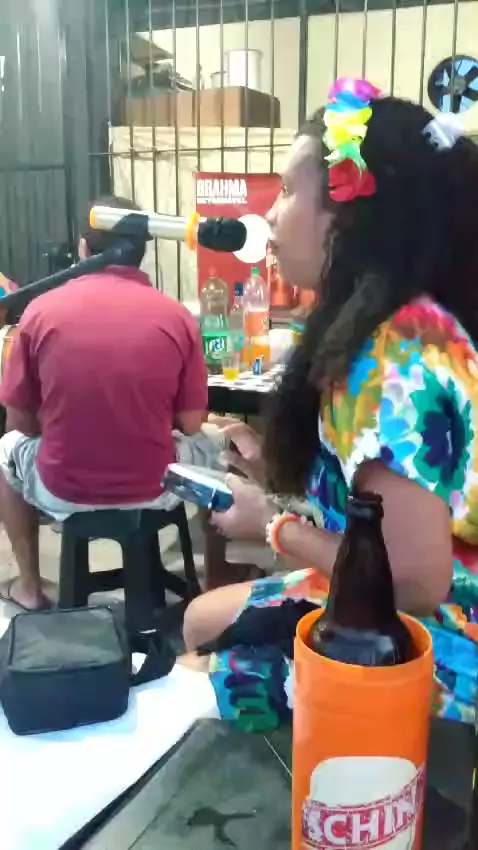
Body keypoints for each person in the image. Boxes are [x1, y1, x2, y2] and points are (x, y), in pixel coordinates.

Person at [182, 79, 478, 730]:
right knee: (202, 617)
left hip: (439, 642)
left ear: (347, 215)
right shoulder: (405, 327)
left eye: (289, 190)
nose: (271, 215)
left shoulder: (391, 357)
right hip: (417, 607)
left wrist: (274, 524)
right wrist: (271, 472)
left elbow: (415, 579)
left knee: (207, 669)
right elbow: (380, 507)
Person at [0, 194, 216, 611]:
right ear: (142, 253)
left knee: (4, 451)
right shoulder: (176, 317)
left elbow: (19, 425)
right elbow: (191, 424)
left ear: (84, 248)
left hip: (62, 489)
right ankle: (217, 585)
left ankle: (29, 587)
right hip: (155, 488)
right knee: (218, 446)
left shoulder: (38, 313)